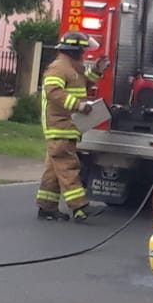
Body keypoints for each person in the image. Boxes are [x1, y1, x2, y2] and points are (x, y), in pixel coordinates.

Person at [36, 31, 107, 222]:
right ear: (74, 50)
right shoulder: (58, 68)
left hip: (67, 126)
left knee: (54, 168)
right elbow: (53, 92)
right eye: (82, 50)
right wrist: (79, 106)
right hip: (59, 126)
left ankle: (46, 207)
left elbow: (83, 84)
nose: (84, 54)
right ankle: (80, 207)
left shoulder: (72, 68)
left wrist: (98, 70)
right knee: (68, 166)